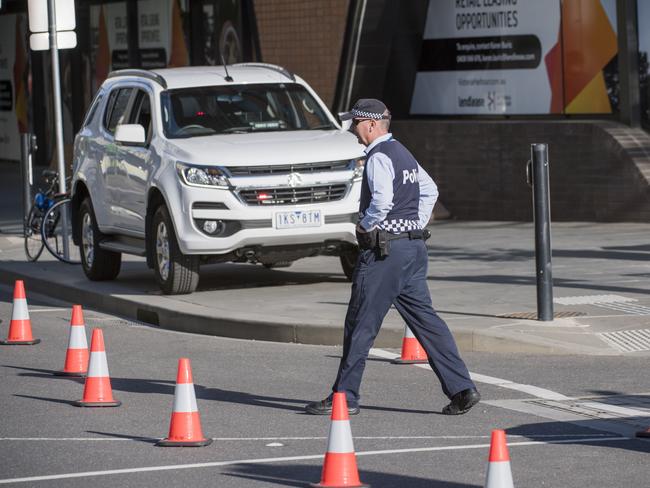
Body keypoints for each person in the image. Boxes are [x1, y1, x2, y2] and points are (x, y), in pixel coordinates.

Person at [305, 99, 480, 416]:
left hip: (385, 252)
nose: (353, 131)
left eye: (356, 124)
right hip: (413, 249)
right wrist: (415, 222)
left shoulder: (378, 157)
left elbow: (383, 200)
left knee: (360, 322)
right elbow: (430, 189)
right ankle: (462, 389)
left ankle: (345, 397)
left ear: (371, 125)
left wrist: (367, 224)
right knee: (427, 322)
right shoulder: (403, 153)